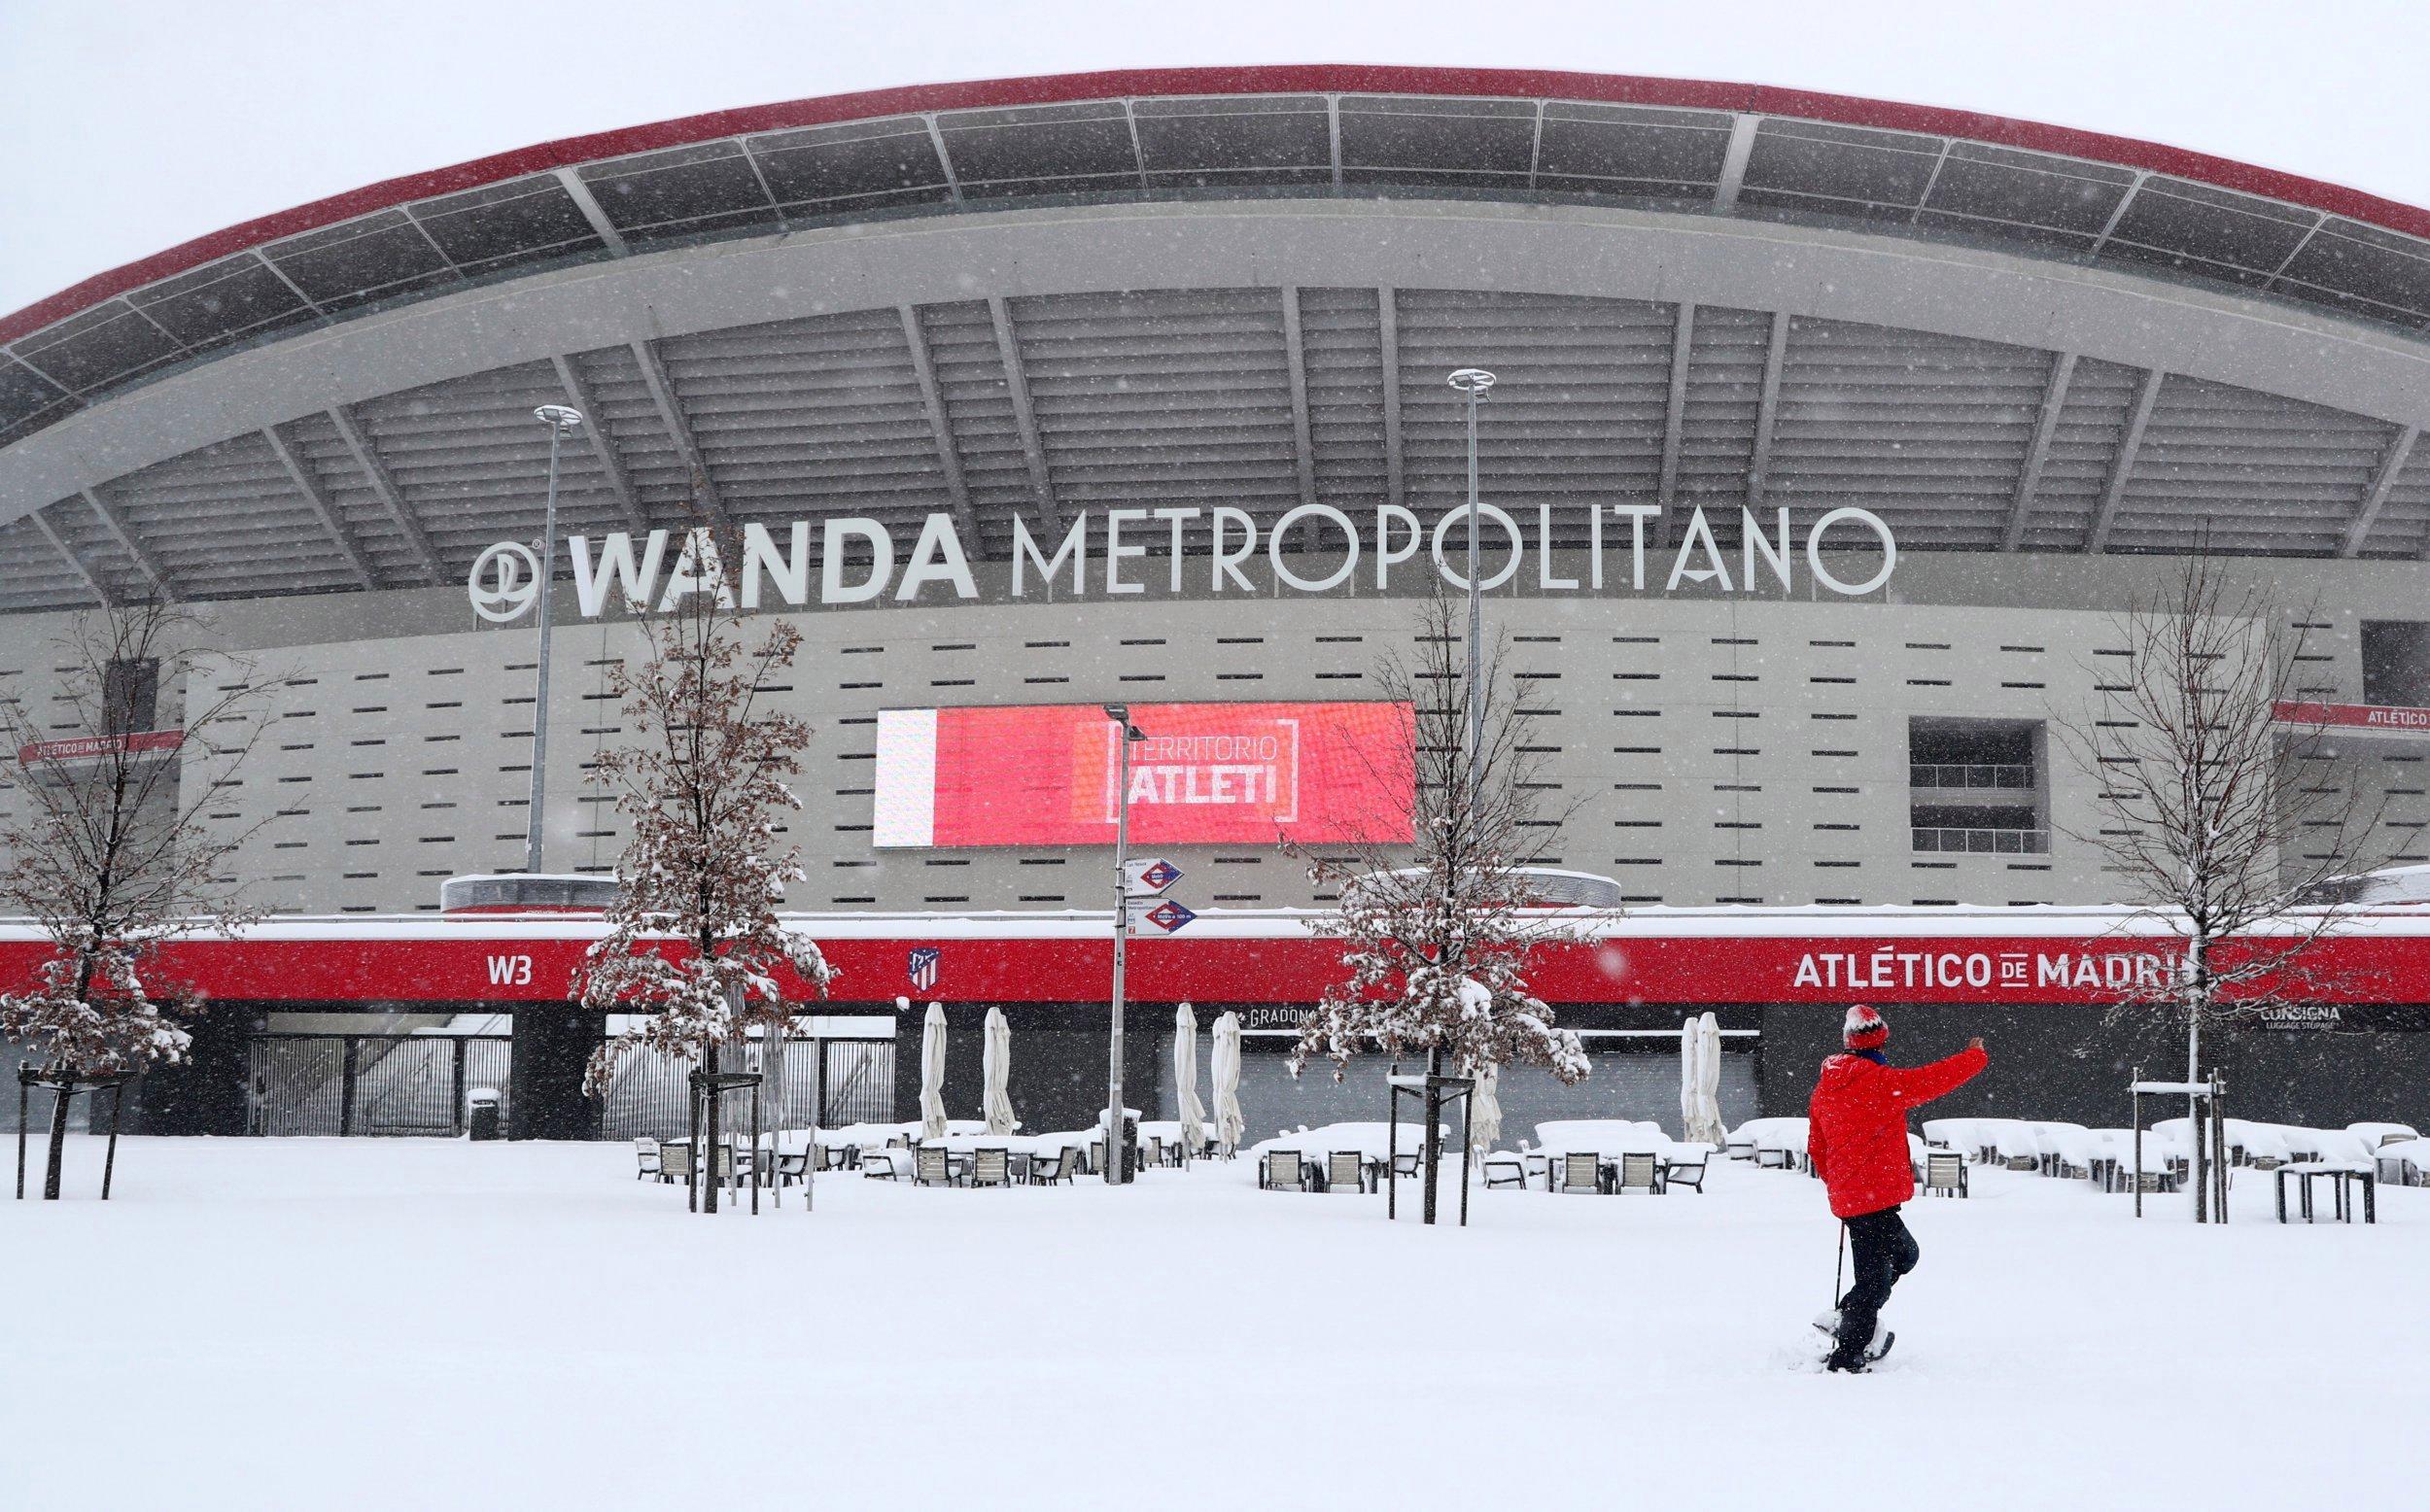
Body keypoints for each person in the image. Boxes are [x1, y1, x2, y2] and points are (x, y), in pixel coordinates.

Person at [1806, 1004, 1988, 1373]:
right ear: (1880, 1041)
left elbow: (1817, 1146)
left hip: (1863, 1198)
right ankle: (1847, 1354)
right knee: (1876, 1278)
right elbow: (1933, 1079)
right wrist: (1974, 1057)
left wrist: (1839, 1184)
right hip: (1870, 1198)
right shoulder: (1881, 1081)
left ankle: (1848, 1317)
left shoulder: (1825, 1089)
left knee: (1903, 1256)